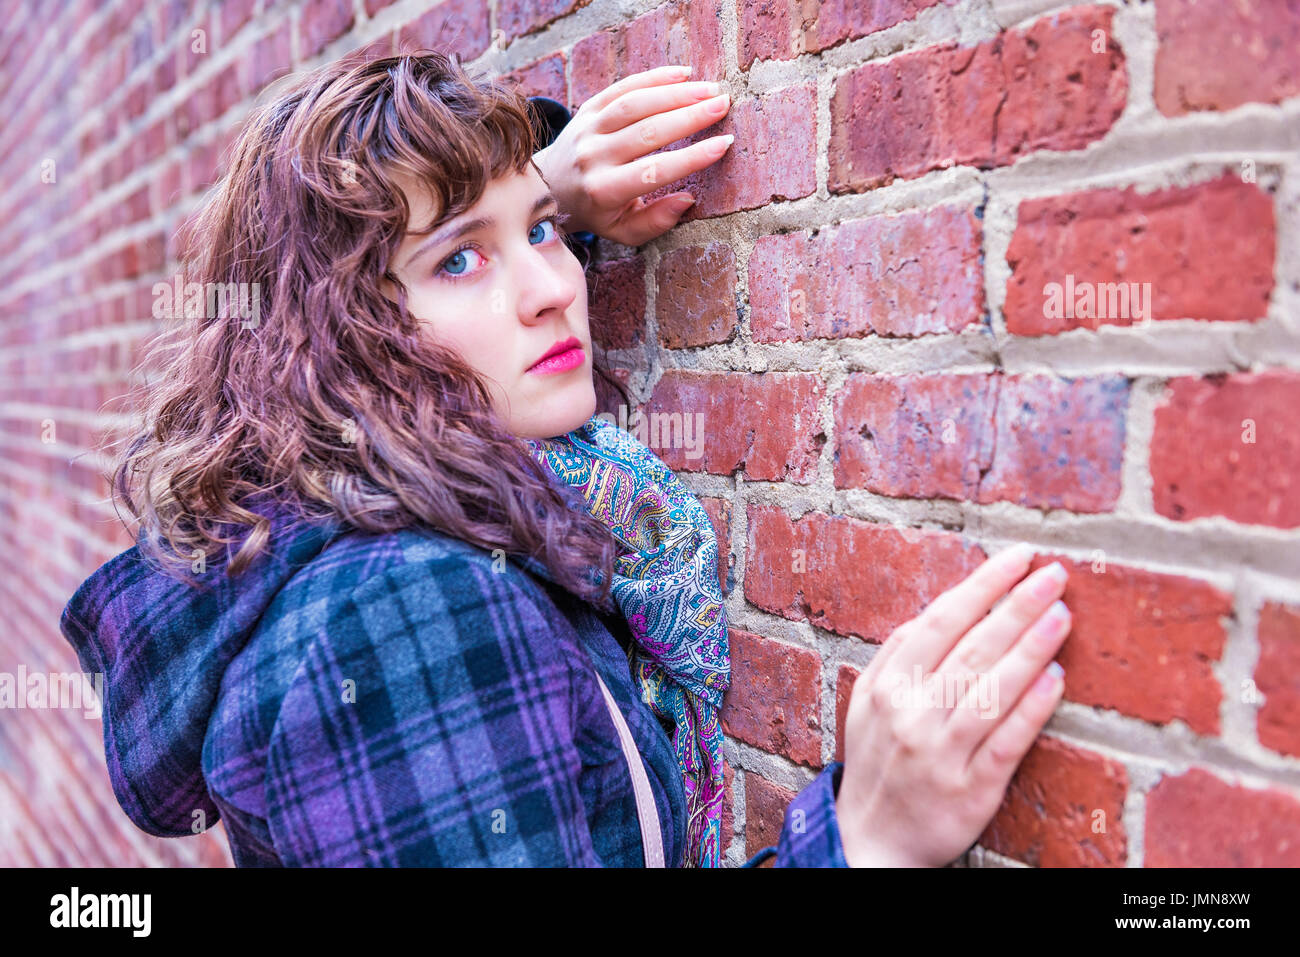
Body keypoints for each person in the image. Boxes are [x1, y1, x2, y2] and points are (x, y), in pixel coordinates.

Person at [58, 50, 1071, 868]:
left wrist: (529, 204)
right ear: (336, 335)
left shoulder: (351, 527)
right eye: (459, 257)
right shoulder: (406, 608)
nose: (550, 285)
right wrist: (864, 846)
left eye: (542, 229)